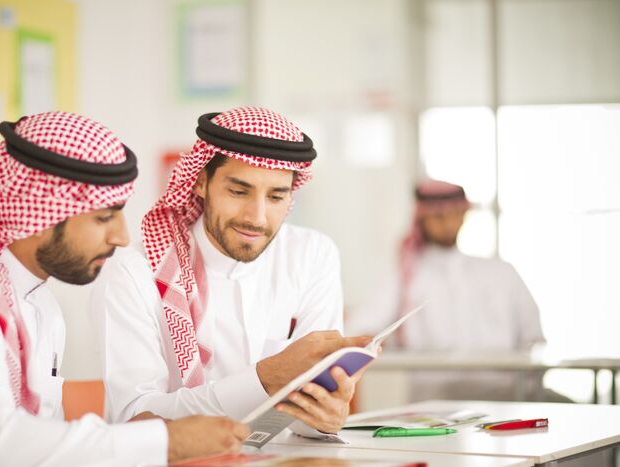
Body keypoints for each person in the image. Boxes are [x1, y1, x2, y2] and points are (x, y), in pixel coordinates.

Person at [0, 112, 248, 467]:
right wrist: (167, 442)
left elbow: (37, 443)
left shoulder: (36, 300)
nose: (120, 237)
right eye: (104, 218)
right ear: (36, 214)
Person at [92, 106, 370, 437]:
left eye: (277, 196)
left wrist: (323, 418)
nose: (257, 217)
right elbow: (134, 417)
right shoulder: (136, 272)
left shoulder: (312, 255)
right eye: (239, 192)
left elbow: (309, 407)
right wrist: (265, 379)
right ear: (200, 182)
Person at [346, 179, 547, 401]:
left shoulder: (501, 272)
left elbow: (533, 338)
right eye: (438, 216)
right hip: (435, 402)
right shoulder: (405, 276)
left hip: (506, 396)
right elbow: (361, 329)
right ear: (422, 218)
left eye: (455, 214)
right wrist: (383, 341)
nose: (448, 223)